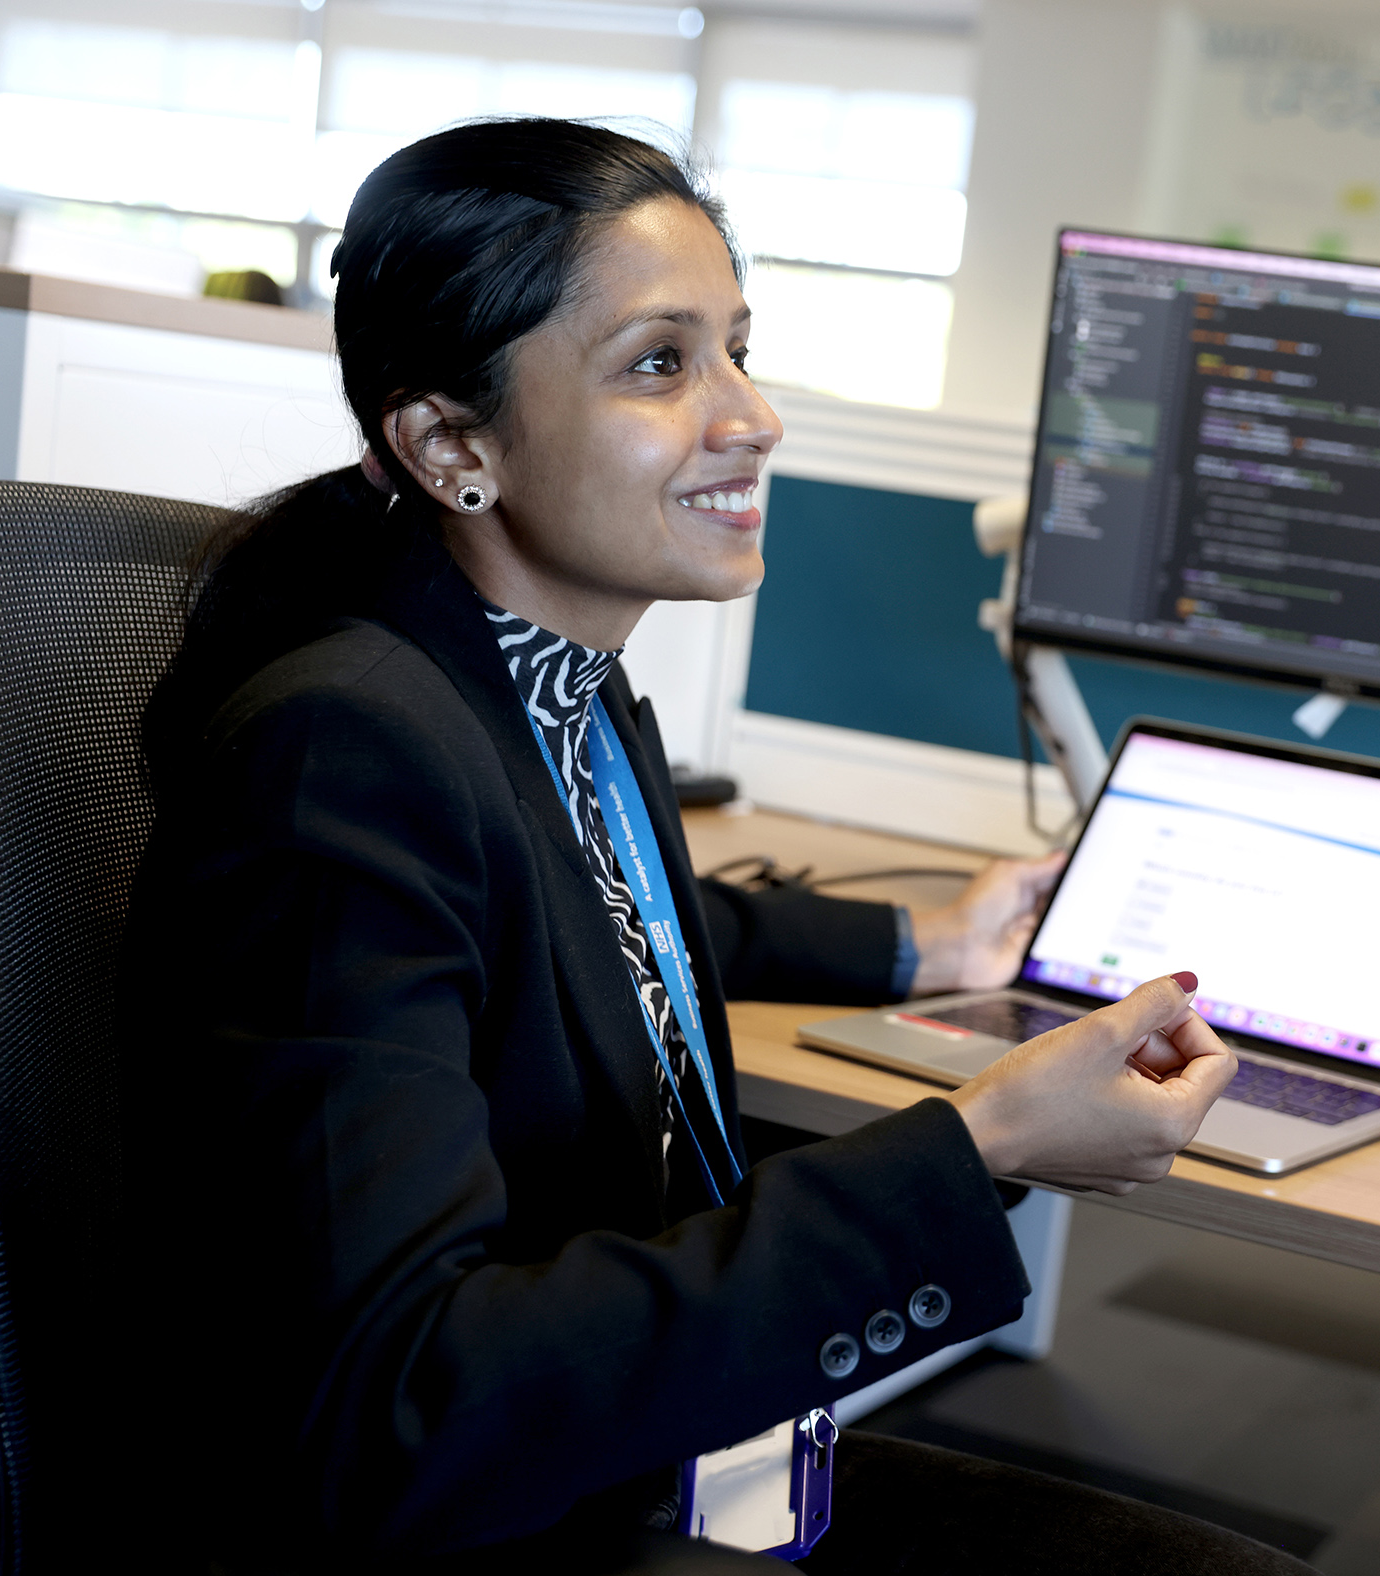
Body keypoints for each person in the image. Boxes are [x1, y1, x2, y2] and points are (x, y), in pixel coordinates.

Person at [118, 118, 1310, 1575]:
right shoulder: (344, 752)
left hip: (656, 1454)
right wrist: (976, 1141)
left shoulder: (546, 680)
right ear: (449, 443)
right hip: (501, 1516)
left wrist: (919, 945)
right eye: (660, 364)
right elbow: (403, 1411)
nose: (751, 415)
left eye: (738, 347)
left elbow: (572, 922)